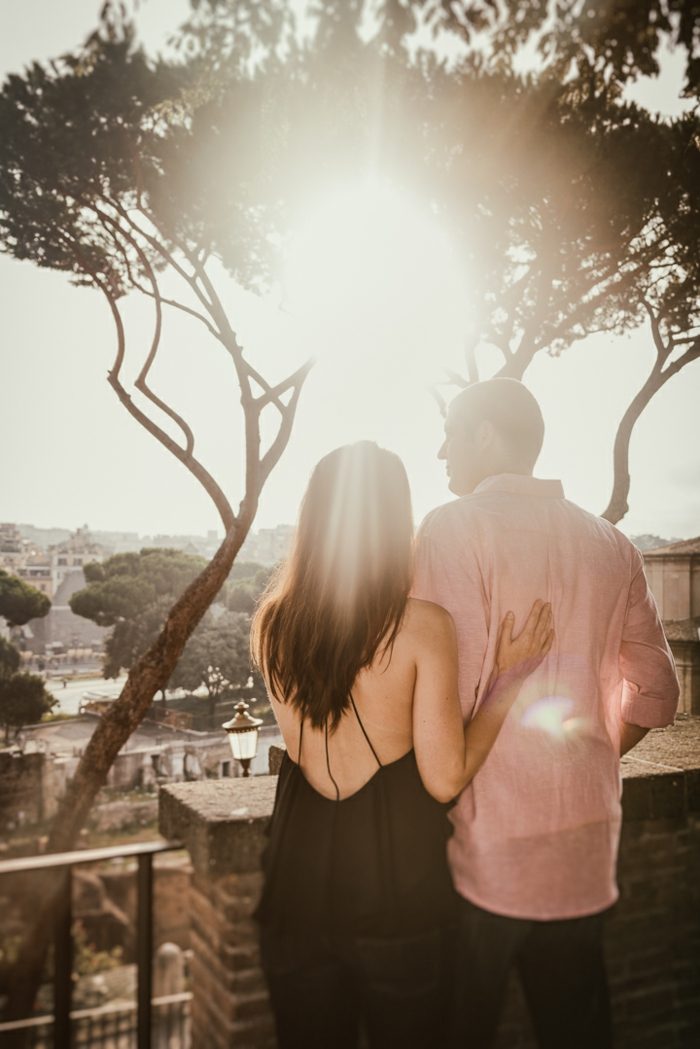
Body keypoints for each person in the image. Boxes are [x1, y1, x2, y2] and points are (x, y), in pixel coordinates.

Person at [251, 440, 554, 1049]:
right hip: (399, 894)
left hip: (295, 889)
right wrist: (509, 680)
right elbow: (445, 778)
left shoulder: (271, 623)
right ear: (396, 522)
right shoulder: (420, 626)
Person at [412, 378, 680, 1049]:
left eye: (450, 432)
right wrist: (593, 753)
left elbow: (445, 698)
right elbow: (657, 689)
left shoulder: (451, 528)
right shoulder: (611, 543)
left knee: (457, 1028)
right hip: (586, 843)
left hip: (483, 847)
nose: (440, 450)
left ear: (484, 436)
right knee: (579, 1027)